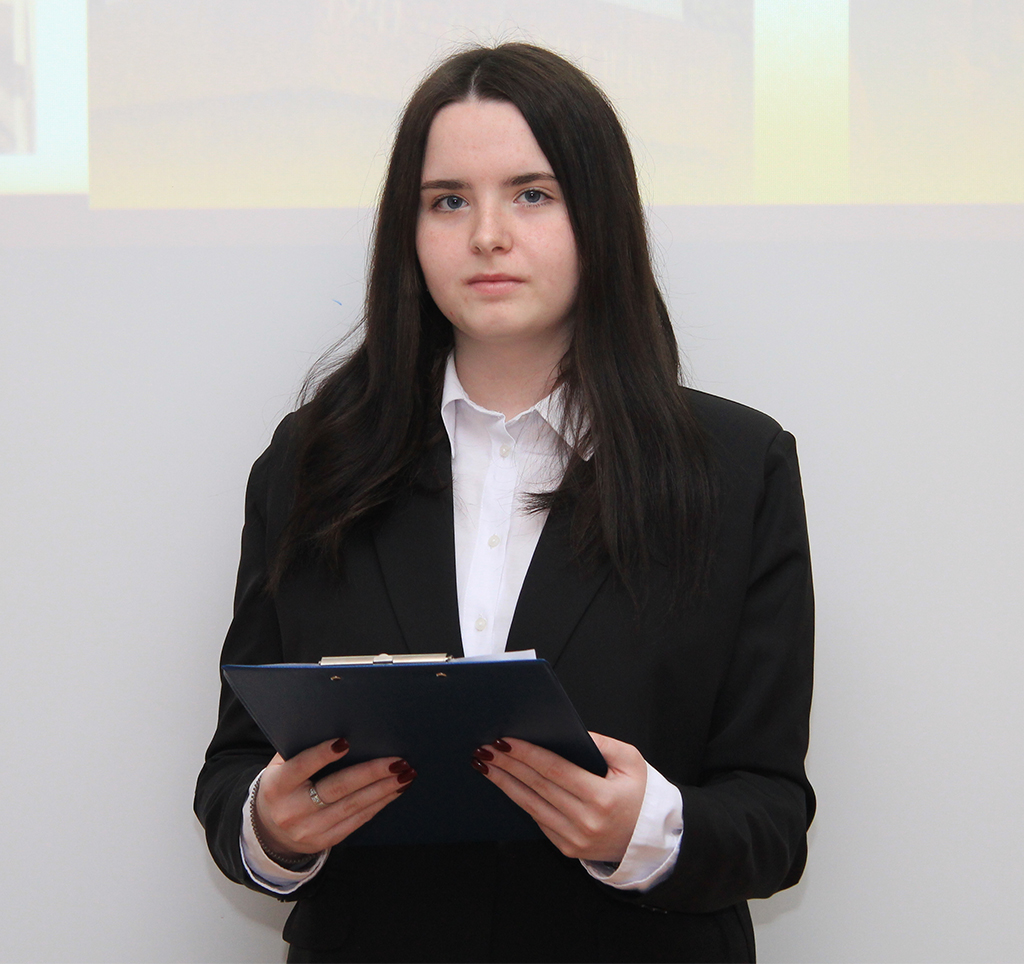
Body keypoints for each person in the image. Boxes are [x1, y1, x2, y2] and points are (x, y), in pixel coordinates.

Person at [195, 42, 814, 964]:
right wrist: (271, 830)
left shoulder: (735, 467)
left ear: (599, 215)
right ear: (408, 231)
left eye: (532, 194)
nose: (487, 235)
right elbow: (234, 769)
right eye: (448, 200)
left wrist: (645, 831)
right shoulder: (312, 461)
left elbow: (772, 813)